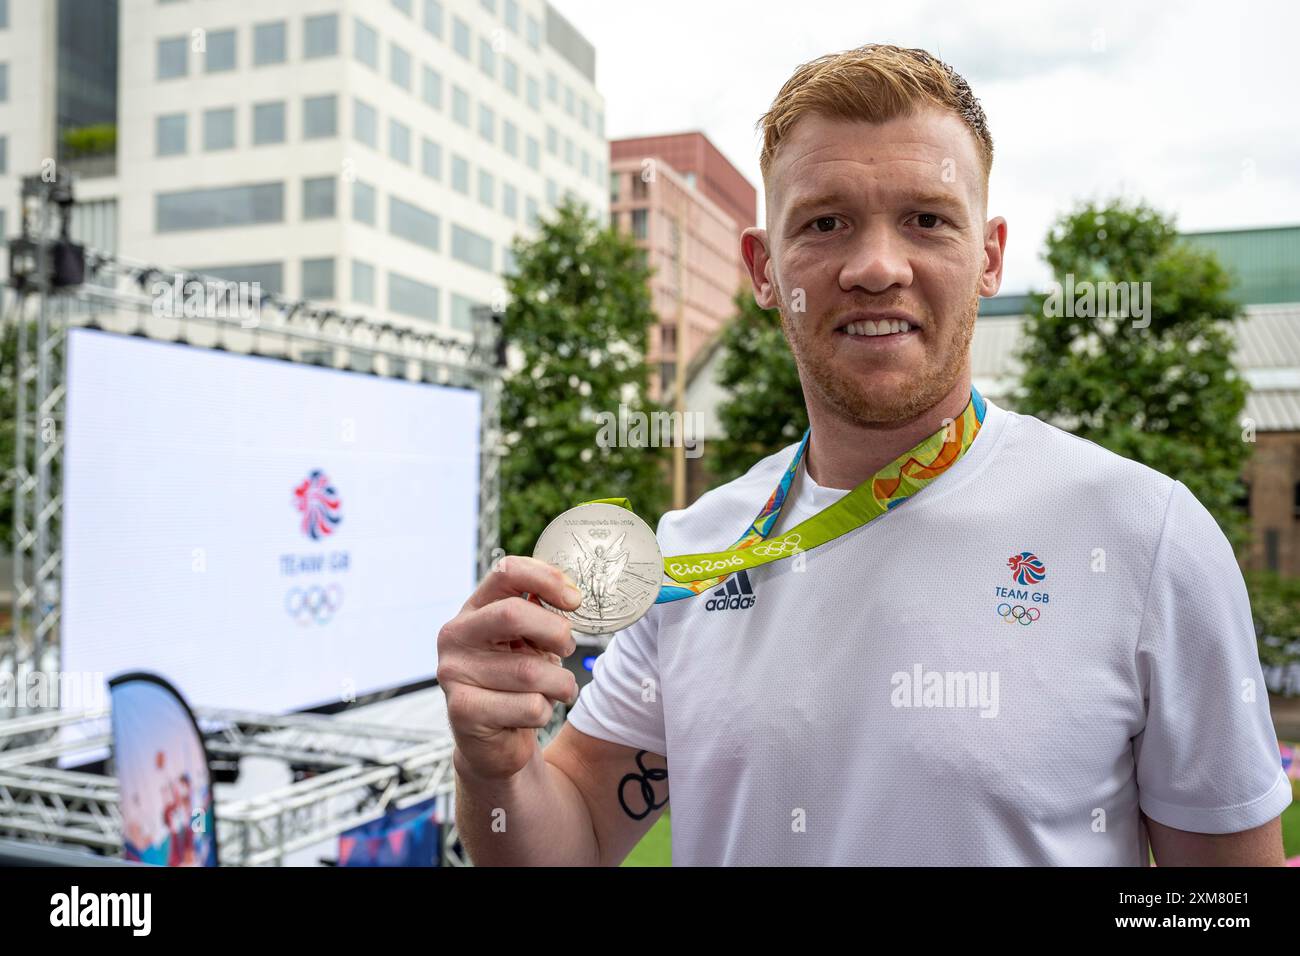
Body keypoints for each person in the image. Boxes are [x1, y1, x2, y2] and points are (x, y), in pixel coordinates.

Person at [438, 44, 1291, 865]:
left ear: (989, 257)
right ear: (763, 269)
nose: (877, 267)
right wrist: (496, 766)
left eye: (926, 219)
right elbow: (570, 844)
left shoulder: (1147, 537)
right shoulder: (695, 549)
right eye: (825, 222)